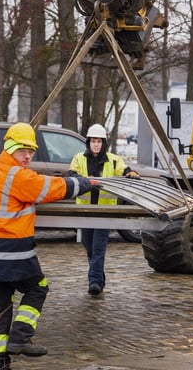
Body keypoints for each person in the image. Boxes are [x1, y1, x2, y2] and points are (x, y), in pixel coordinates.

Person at [0, 122, 98, 370]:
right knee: (38, 288)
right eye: (23, 150)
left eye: (31, 151)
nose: (28, 156)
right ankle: (20, 337)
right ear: (10, 148)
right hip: (13, 252)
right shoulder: (19, 176)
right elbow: (55, 189)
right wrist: (86, 183)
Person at [67, 123, 139, 296]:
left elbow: (125, 170)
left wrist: (131, 173)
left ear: (104, 143)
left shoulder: (114, 160)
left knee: (98, 248)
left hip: (104, 212)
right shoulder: (79, 158)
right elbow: (71, 175)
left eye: (99, 141)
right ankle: (99, 277)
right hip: (84, 212)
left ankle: (94, 282)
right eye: (93, 141)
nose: (96, 144)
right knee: (89, 246)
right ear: (88, 142)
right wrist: (83, 179)